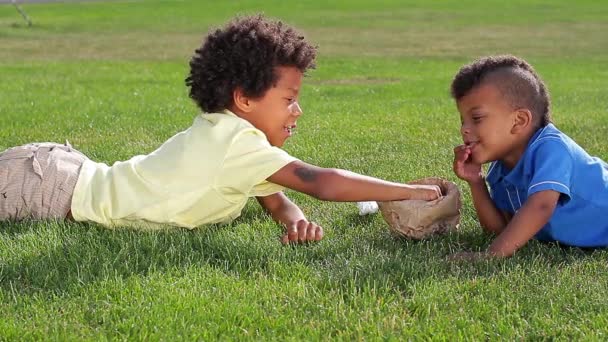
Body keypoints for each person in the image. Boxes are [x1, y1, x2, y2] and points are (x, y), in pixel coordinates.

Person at [0, 15, 441, 244]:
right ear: (244, 99)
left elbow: (274, 196)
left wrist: (296, 219)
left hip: (61, 170)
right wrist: (409, 192)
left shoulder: (235, 142)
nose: (298, 111)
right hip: (46, 186)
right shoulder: (235, 142)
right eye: (288, 99)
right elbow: (320, 182)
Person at [450, 55, 608, 259]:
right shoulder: (501, 169)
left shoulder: (552, 149)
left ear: (519, 120)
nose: (464, 129)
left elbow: (541, 206)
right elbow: (501, 230)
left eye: (476, 118)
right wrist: (476, 182)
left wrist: (492, 255)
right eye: (463, 121)